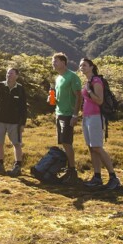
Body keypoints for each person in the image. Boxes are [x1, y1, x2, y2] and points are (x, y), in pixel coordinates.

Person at [78, 57, 121, 190]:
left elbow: (100, 101)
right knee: (92, 148)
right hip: (87, 117)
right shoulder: (88, 81)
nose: (82, 67)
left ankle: (114, 177)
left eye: (84, 65)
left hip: (96, 117)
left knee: (97, 147)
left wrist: (89, 91)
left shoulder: (96, 81)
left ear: (91, 67)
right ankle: (97, 177)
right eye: (80, 66)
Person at [51, 53, 82, 183]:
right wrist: (52, 100)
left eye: (56, 61)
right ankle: (68, 169)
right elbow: (60, 97)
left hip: (68, 114)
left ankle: (72, 171)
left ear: (64, 62)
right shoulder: (58, 78)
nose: (53, 63)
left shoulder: (72, 76)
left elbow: (79, 97)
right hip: (59, 113)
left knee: (67, 143)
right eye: (53, 61)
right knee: (63, 142)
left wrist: (75, 115)